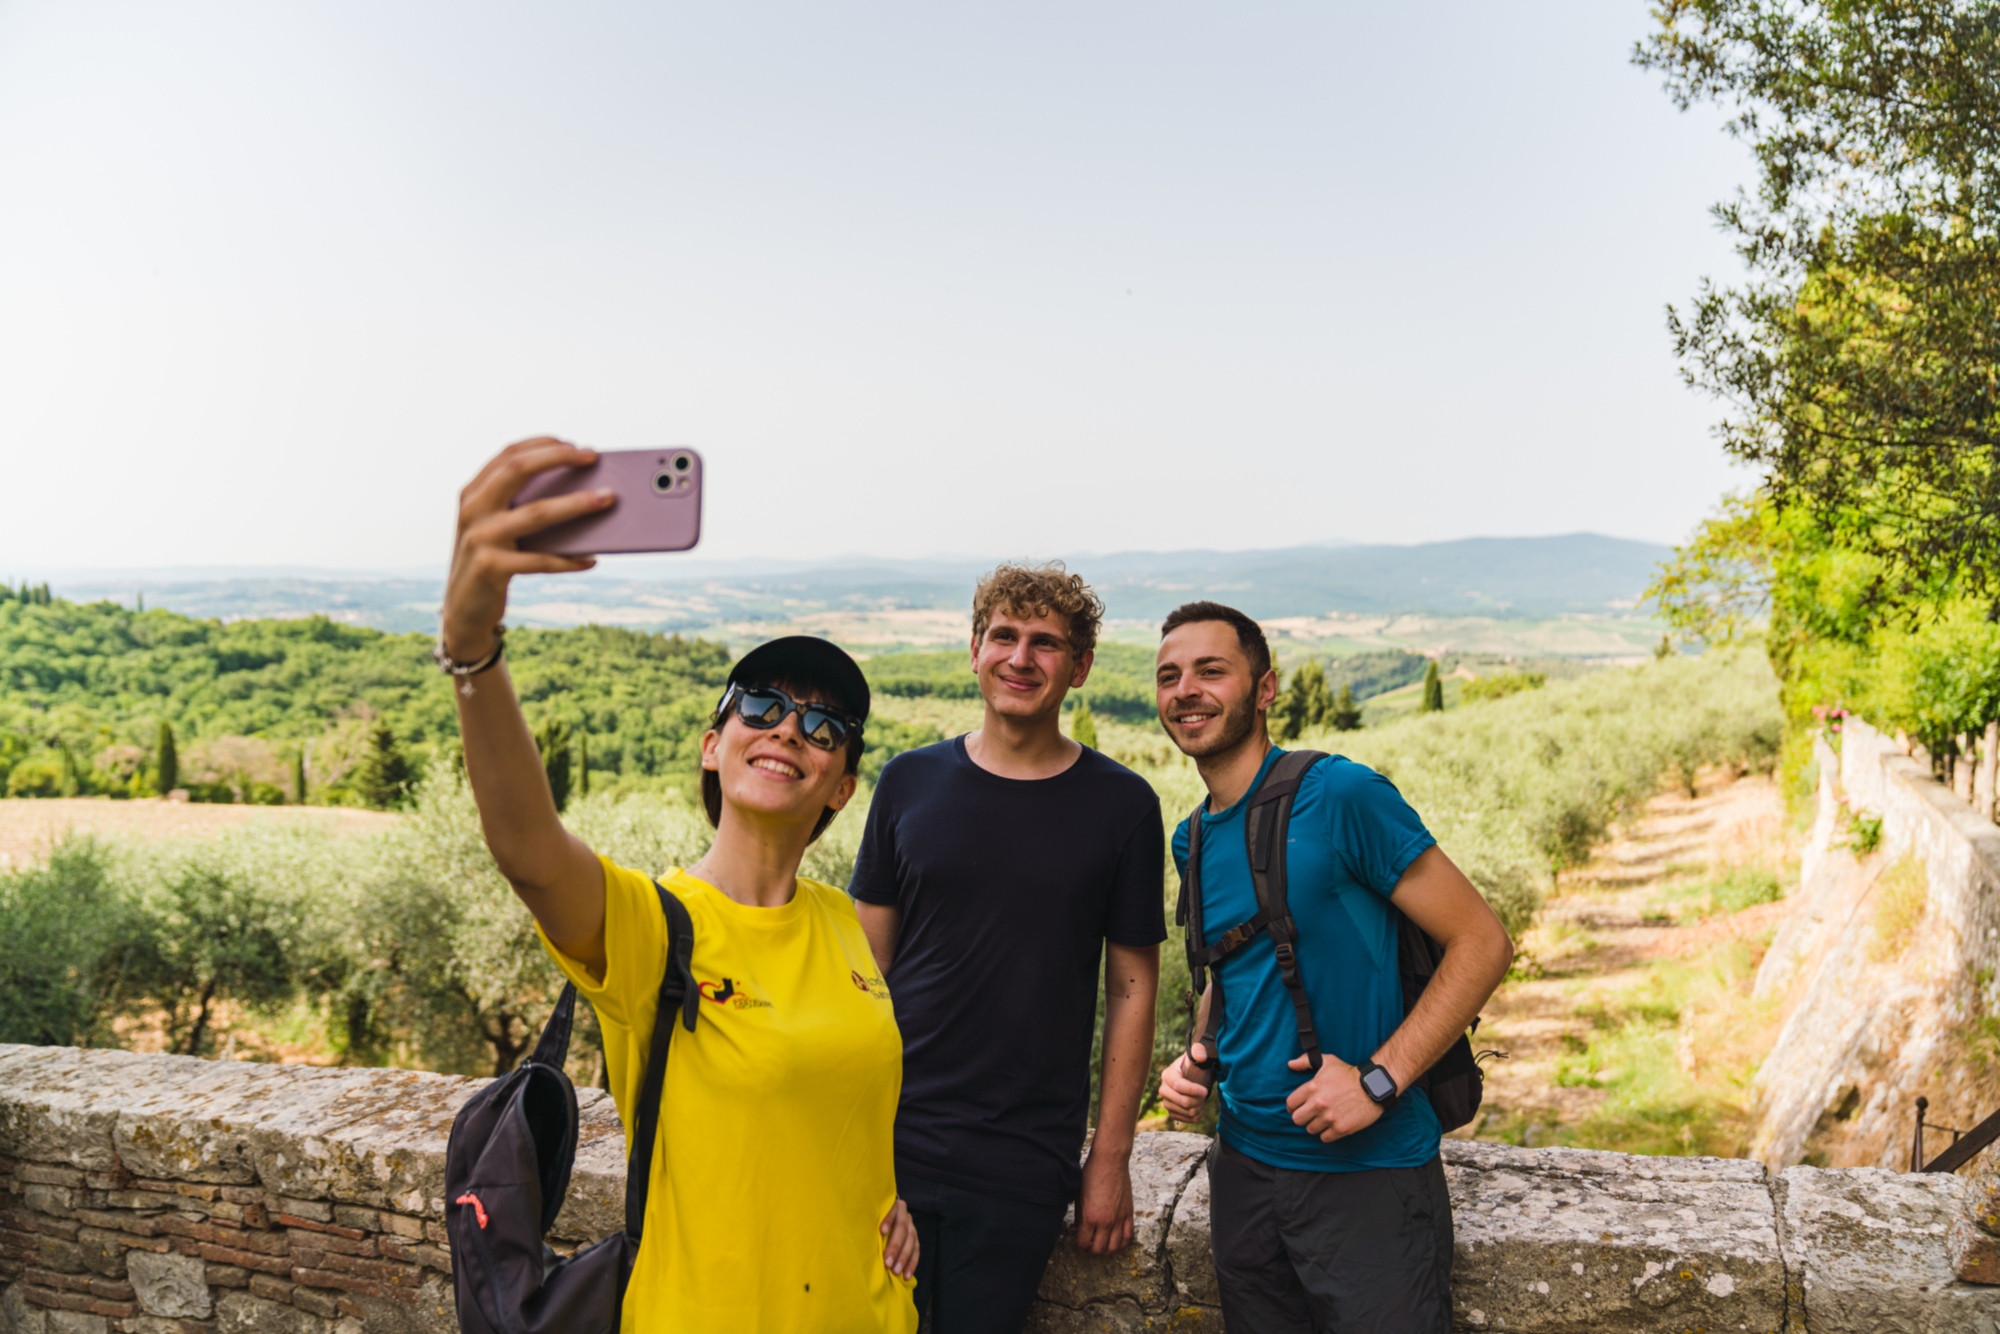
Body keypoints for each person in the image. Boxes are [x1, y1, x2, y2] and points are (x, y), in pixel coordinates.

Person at [441, 437, 919, 1334]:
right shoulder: (654, 927)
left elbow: (843, 1113)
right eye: (760, 706)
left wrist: (893, 1202)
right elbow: (530, 849)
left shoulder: (841, 921)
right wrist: (474, 650)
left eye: (823, 724)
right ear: (714, 743)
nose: (789, 729)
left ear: (843, 785)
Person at [1151, 602, 1513, 1334]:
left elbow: (1482, 942)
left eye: (1210, 670)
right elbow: (1230, 976)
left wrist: (1377, 1081)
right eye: (1169, 675)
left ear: (1264, 688)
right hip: (1244, 1176)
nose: (1186, 688)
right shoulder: (1191, 839)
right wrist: (1199, 1054)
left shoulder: (1341, 796)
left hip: (1368, 1182)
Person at [849, 563, 1165, 1334]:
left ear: (1080, 667)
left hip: (1021, 1159)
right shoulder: (907, 782)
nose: (1021, 658)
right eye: (1005, 636)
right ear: (974, 648)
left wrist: (1110, 1159)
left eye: (1047, 644)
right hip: (883, 1141)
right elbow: (861, 974)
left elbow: (1131, 991)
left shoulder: (1123, 806)